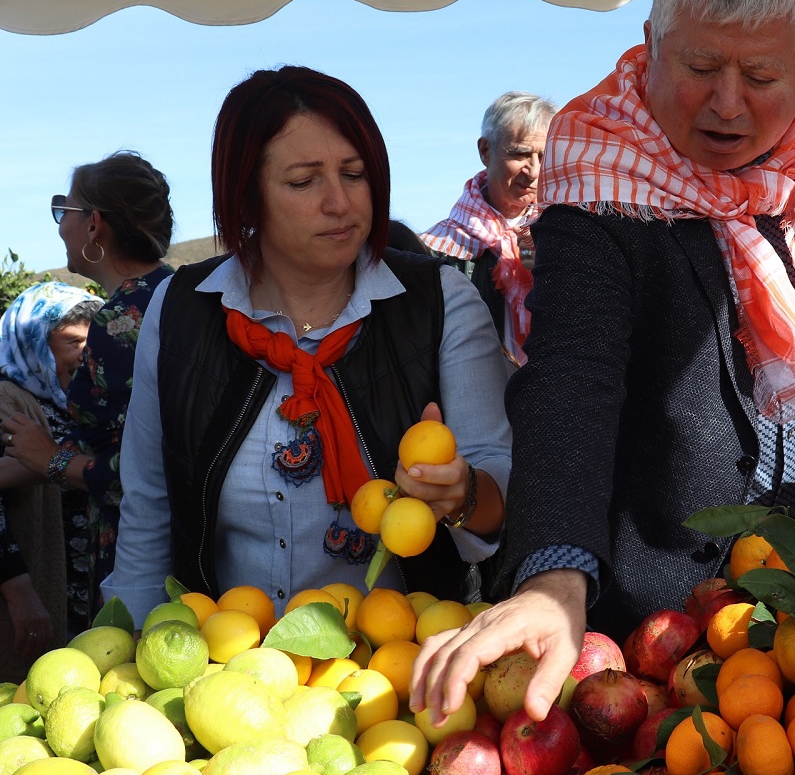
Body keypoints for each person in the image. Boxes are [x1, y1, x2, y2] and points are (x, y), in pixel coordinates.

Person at [411, 0, 795, 723]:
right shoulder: (601, 177)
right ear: (651, 43)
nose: (729, 103)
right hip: (651, 630)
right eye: (701, 67)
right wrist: (555, 576)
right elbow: (574, 376)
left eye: (763, 75)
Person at [102, 66, 512, 623]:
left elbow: (502, 496)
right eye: (304, 181)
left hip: (396, 677)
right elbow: (149, 509)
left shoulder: (441, 303)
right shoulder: (181, 310)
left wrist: (461, 496)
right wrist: (127, 651)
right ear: (246, 196)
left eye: (355, 173)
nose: (340, 203)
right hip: (226, 671)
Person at [0, 151, 174, 627]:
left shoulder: (120, 323)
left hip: (140, 553)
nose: (61, 226)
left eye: (65, 211)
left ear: (94, 224)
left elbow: (146, 468)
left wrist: (52, 460)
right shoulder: (175, 295)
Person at [0, 281, 102, 674]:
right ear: (33, 341)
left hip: (77, 590)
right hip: (31, 593)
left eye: (89, 343)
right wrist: (19, 591)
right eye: (72, 341)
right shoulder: (8, 399)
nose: (85, 354)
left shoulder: (73, 401)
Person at [421, 92, 557, 365]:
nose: (533, 171)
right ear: (485, 151)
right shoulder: (435, 249)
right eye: (519, 154)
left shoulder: (559, 235)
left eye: (543, 156)